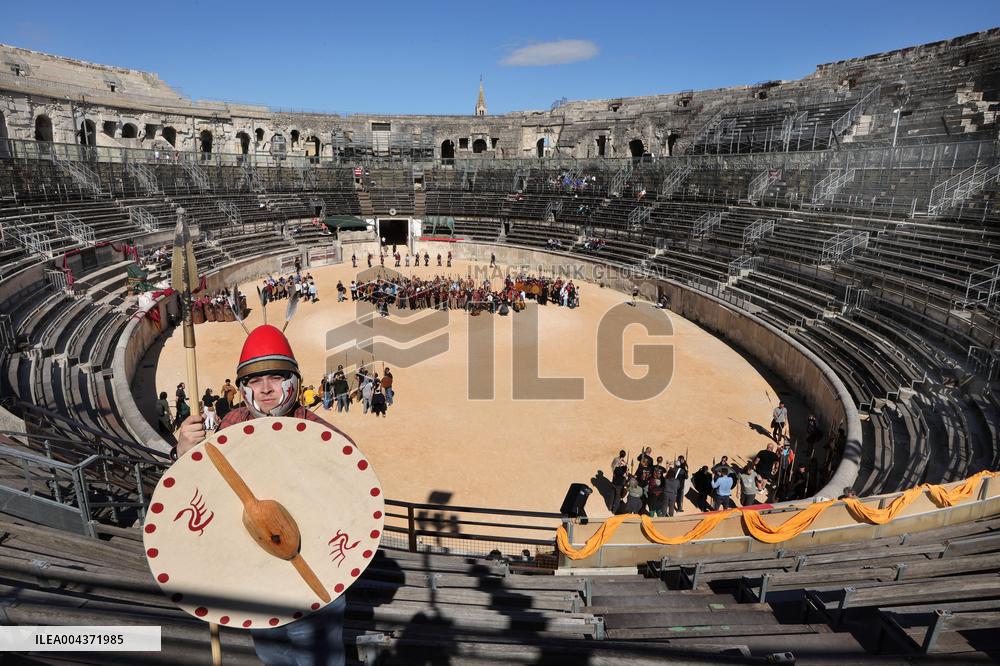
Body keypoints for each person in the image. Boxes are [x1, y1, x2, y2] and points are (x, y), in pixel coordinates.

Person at [173, 324, 352, 666]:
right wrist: (185, 453)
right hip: (255, 576)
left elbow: (349, 504)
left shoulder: (323, 437)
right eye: (255, 380)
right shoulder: (229, 427)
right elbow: (200, 493)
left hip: (314, 575)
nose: (266, 389)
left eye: (275, 377)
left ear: (294, 381)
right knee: (273, 656)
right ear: (242, 387)